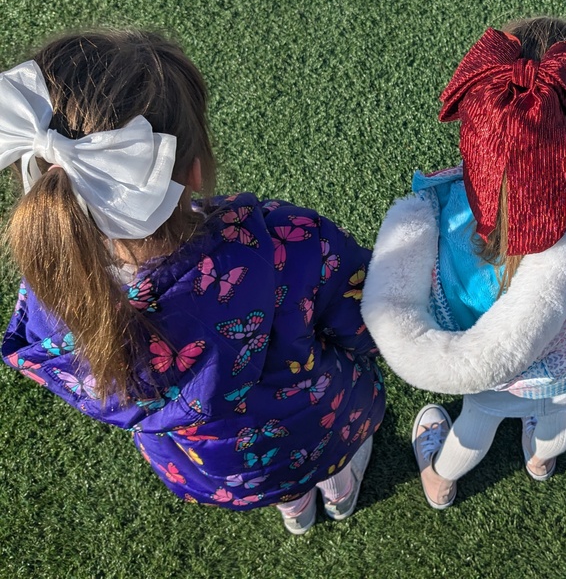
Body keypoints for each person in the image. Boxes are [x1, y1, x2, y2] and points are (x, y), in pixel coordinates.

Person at [0, 30, 385, 535]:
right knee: (327, 459)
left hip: (215, 469)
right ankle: (338, 490)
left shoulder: (48, 297)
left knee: (282, 486)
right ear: (195, 172)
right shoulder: (284, 241)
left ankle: (294, 509)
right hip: (319, 422)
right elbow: (364, 315)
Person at [361, 16, 566, 508]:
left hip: (496, 385)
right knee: (562, 421)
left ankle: (439, 479)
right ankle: (542, 460)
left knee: (474, 428)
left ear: (478, 136)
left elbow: (428, 310)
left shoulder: (440, 226)